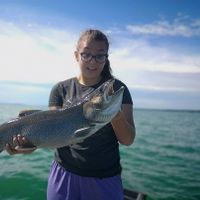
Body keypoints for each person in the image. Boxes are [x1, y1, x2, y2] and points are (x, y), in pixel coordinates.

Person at [6, 29, 136, 200]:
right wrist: (29, 145)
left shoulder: (117, 89)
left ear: (106, 58)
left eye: (100, 55)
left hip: (104, 179)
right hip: (63, 175)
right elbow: (53, 134)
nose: (92, 61)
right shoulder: (60, 89)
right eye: (86, 54)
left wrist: (115, 114)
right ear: (76, 55)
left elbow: (128, 140)